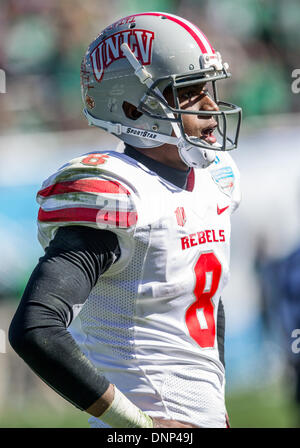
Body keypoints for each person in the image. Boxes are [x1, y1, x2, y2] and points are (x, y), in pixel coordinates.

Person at [9, 12, 242, 428]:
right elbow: (37, 328)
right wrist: (142, 428)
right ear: (135, 108)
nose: (210, 106)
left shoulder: (217, 179)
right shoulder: (116, 193)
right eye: (188, 92)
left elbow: (204, 303)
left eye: (208, 87)